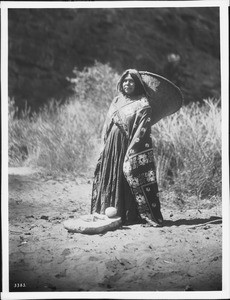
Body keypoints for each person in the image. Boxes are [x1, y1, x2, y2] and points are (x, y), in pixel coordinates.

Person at [90, 69, 163, 227]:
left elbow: (143, 128)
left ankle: (127, 214)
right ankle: (106, 211)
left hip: (128, 145)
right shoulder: (117, 100)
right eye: (125, 81)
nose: (127, 84)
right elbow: (107, 125)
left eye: (131, 81)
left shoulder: (142, 102)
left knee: (125, 175)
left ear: (137, 84)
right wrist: (105, 143)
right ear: (121, 83)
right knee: (110, 174)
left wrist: (132, 148)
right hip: (112, 144)